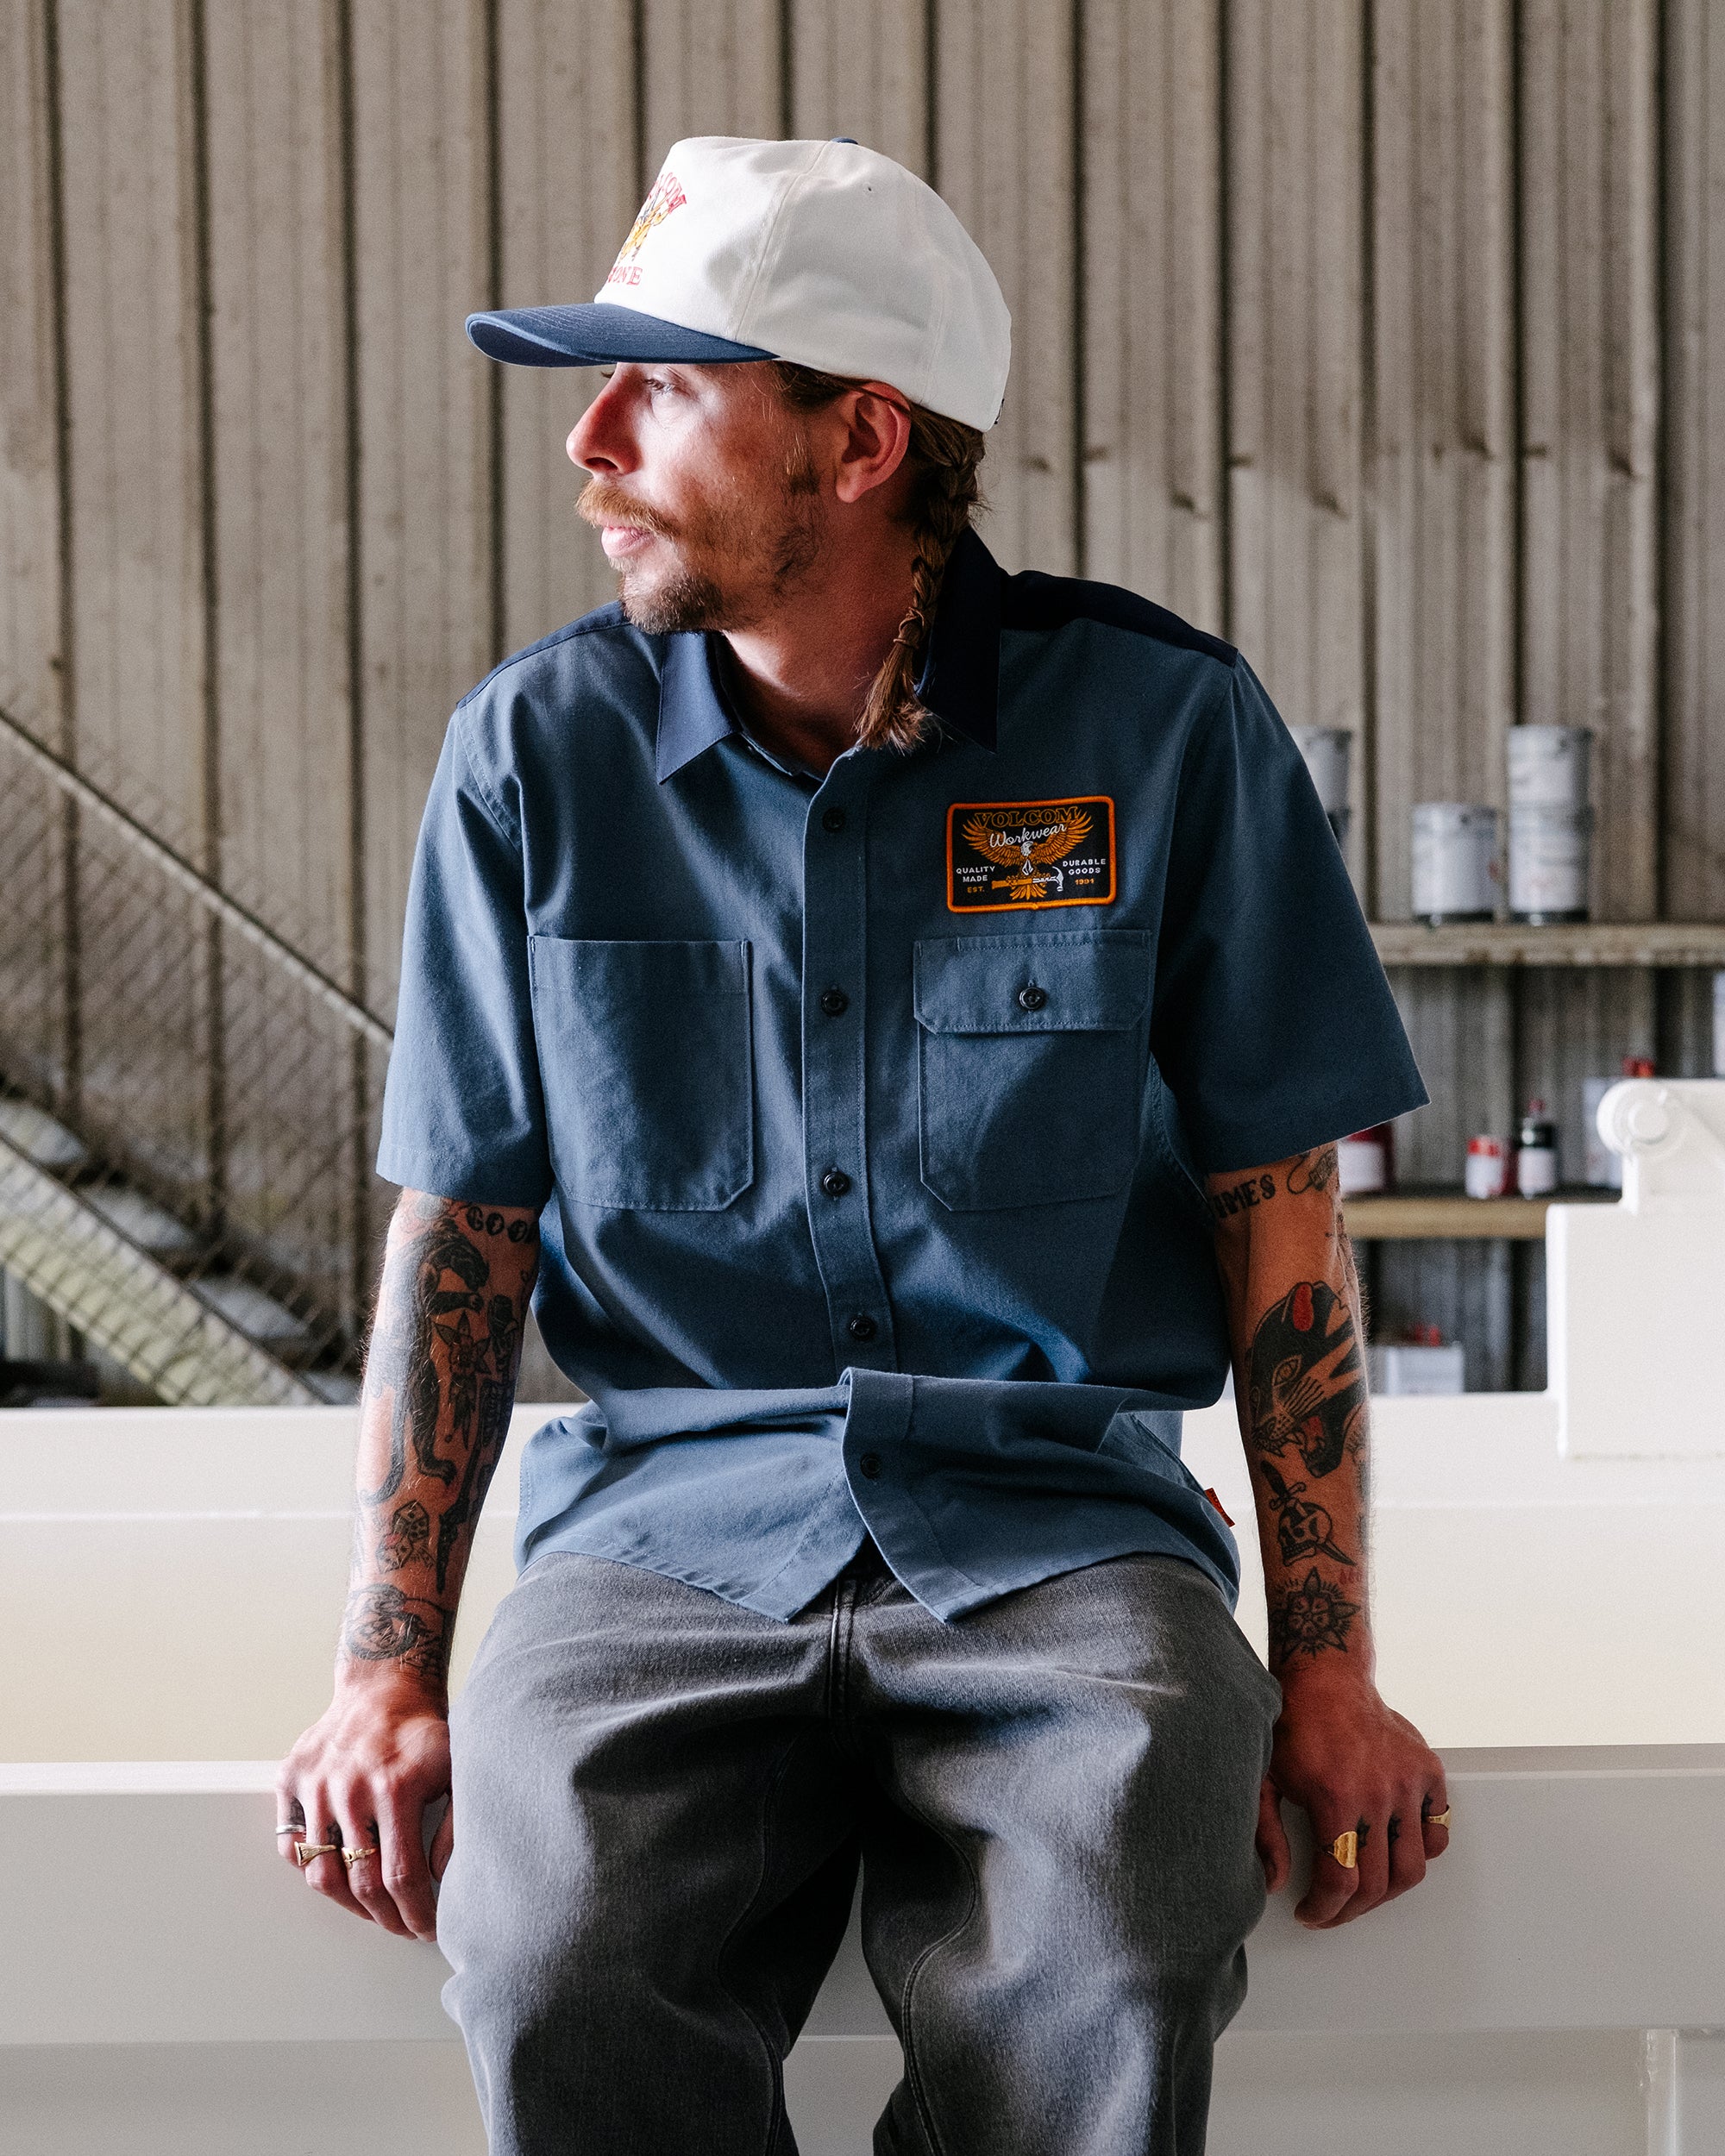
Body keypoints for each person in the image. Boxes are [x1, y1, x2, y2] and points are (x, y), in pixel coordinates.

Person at [279, 135, 1449, 2155]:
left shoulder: (1164, 729)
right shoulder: (530, 758)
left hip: (1061, 1542)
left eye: (661, 384)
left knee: (1123, 1945)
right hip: (658, 1533)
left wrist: (1326, 1661)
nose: (591, 439)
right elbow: (459, 1229)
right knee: (551, 1958)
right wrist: (385, 1664)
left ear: (857, 440)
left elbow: (1279, 1208)